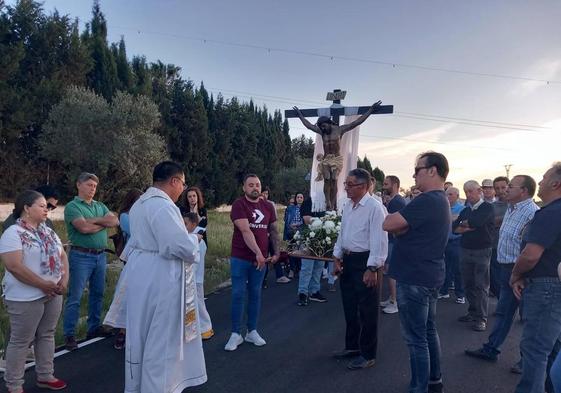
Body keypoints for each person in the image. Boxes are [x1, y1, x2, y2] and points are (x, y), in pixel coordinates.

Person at [123, 161, 206, 392]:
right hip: (161, 276)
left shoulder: (140, 203)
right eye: (183, 182)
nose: (183, 188)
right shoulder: (163, 206)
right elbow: (176, 245)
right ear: (174, 181)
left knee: (142, 336)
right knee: (160, 340)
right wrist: (194, 240)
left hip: (142, 273)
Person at [383, 151, 451, 393]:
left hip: (414, 278)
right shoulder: (440, 200)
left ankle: (419, 387)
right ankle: (434, 380)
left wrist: (401, 228)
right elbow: (401, 228)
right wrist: (403, 228)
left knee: (416, 339)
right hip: (429, 276)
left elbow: (388, 224)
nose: (414, 175)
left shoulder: (426, 200)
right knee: (429, 331)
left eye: (418, 170)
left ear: (432, 170)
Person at [0, 190, 69, 393]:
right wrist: (42, 284)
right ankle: (14, 384)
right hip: (25, 297)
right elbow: (14, 266)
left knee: (47, 334)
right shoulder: (13, 233)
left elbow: (62, 256)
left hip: (52, 293)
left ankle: (45, 375)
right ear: (27, 208)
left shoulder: (48, 231)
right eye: (42, 205)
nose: (47, 209)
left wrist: (63, 280)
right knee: (21, 341)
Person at [464, 175, 538, 362]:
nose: (505, 190)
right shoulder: (512, 209)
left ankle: (527, 361)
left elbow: (532, 249)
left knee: (529, 318)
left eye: (510, 186)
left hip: (522, 273)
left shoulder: (533, 213)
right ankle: (491, 349)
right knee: (503, 313)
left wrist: (519, 273)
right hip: (506, 270)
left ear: (524, 191)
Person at [510, 163, 561, 393]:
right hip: (554, 285)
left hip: (546, 288)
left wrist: (516, 274)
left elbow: (530, 255)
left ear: (555, 183)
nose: (539, 182)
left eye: (543, 178)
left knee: (535, 350)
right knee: (551, 349)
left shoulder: (551, 212)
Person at [332, 168, 388, 370]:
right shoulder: (348, 205)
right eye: (346, 184)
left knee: (367, 310)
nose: (346, 188)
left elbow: (380, 240)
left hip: (366, 262)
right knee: (350, 306)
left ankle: (368, 354)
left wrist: (372, 268)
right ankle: (352, 347)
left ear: (363, 186)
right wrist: (337, 256)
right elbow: (342, 232)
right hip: (348, 260)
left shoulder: (375, 207)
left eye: (350, 184)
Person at [63, 172, 119, 351]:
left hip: (100, 255)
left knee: (98, 293)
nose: (92, 189)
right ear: (79, 185)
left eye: (94, 186)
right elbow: (83, 228)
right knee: (75, 296)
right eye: (89, 185)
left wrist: (95, 220)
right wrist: (103, 223)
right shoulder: (73, 207)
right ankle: (69, 333)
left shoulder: (99, 205)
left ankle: (93, 327)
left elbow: (115, 220)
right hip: (81, 256)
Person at [225, 174, 280, 351]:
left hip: (261, 259)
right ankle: (235, 333)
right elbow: (245, 230)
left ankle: (252, 331)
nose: (254, 188)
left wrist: (277, 252)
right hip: (241, 257)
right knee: (238, 293)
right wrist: (258, 253)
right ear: (244, 188)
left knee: (255, 294)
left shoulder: (268, 206)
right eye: (250, 185)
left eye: (257, 185)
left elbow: (273, 230)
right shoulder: (239, 205)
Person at [292, 101, 382, 210]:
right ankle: (328, 202)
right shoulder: (322, 132)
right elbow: (309, 126)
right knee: (327, 178)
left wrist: (371, 110)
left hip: (337, 159)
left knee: (334, 179)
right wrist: (300, 116)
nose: (323, 129)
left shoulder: (340, 130)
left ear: (329, 123)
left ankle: (333, 203)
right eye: (321, 127)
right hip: (326, 159)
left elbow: (357, 122)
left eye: (324, 126)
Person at [104, 188, 143, 350]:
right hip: (133, 259)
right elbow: (137, 233)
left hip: (142, 258)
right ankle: (122, 330)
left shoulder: (138, 215)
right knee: (128, 293)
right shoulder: (126, 216)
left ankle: (134, 331)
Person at [453, 180, 495, 332]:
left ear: (479, 191)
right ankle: (473, 312)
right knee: (468, 284)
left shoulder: (488, 208)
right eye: (466, 192)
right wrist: (467, 225)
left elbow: (477, 222)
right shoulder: (465, 210)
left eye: (471, 191)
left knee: (481, 285)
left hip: (482, 251)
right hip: (465, 250)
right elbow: (454, 228)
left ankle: (481, 318)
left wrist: (464, 224)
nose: (468, 194)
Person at [182, 211, 214, 341]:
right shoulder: (190, 239)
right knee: (192, 305)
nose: (183, 226)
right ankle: (196, 327)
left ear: (194, 224)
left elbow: (194, 261)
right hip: (191, 278)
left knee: (199, 304)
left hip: (196, 278)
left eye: (186, 223)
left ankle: (206, 328)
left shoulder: (199, 242)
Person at [380, 175, 407, 314]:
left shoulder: (398, 202)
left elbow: (394, 222)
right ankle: (392, 297)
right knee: (390, 271)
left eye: (386, 184)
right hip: (391, 240)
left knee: (392, 272)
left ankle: (395, 302)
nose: (383, 187)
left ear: (395, 185)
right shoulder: (394, 200)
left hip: (394, 241)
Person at [297, 195, 328, 306]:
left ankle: (314, 291)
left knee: (319, 266)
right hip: (308, 239)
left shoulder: (325, 202)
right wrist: (323, 221)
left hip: (321, 239)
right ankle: (303, 293)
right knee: (307, 267)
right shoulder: (308, 202)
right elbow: (306, 219)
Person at [438, 187, 466, 303]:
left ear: (457, 196)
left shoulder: (462, 209)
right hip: (444, 241)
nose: (447, 197)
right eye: (446, 194)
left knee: (457, 269)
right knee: (445, 268)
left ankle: (460, 294)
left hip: (457, 241)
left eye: (450, 194)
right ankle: (444, 291)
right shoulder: (442, 207)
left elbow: (462, 223)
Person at [261, 187, 291, 285]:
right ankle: (262, 278)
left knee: (275, 252)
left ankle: (280, 275)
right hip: (261, 233)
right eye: (263, 193)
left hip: (270, 232)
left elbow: (274, 220)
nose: (265, 196)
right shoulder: (256, 205)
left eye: (266, 194)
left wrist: (272, 232)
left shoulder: (271, 204)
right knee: (263, 255)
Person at [489, 176, 509, 298]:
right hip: (495, 246)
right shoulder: (492, 206)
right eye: (497, 188)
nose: (500, 190)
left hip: (513, 249)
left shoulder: (515, 205)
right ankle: (501, 302)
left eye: (503, 187)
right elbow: (490, 223)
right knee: (495, 279)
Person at [284, 192, 304, 279]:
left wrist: (297, 225)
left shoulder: (305, 208)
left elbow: (305, 220)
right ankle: (292, 269)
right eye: (298, 197)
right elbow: (286, 220)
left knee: (300, 251)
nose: (299, 198)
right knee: (291, 251)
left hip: (301, 231)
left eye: (301, 197)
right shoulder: (290, 208)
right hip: (291, 231)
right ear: (295, 199)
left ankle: (299, 269)